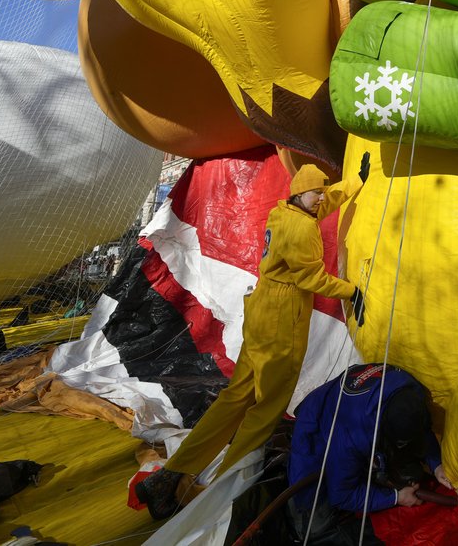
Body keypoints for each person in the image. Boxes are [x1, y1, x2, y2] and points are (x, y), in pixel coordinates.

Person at [135, 164, 364, 519]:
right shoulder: (302, 228)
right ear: (300, 194)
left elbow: (322, 199)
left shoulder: (284, 210)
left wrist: (353, 183)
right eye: (316, 192)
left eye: (322, 191)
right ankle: (227, 489)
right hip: (282, 319)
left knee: (236, 395)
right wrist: (352, 290)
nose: (321, 198)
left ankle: (171, 474)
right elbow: (311, 278)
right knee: (268, 406)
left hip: (261, 312)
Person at [287, 363, 449, 544]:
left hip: (354, 412)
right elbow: (342, 496)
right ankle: (303, 526)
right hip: (316, 426)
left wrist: (436, 465)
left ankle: (368, 477)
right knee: (316, 522)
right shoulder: (350, 436)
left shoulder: (410, 389)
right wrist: (396, 498)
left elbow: (422, 428)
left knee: (410, 473)